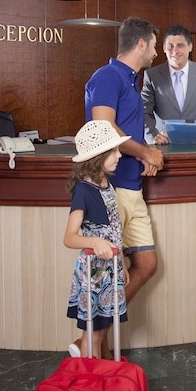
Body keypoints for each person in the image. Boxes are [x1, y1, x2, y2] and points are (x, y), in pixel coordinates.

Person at [84, 17, 163, 307]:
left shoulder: (131, 80)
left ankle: (101, 330)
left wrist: (145, 152)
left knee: (147, 264)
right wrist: (145, 153)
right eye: (153, 46)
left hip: (132, 186)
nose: (156, 53)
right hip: (111, 187)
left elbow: (124, 129)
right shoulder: (108, 76)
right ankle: (96, 334)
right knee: (106, 276)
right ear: (140, 44)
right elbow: (104, 127)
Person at [63, 119, 132, 358]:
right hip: (95, 273)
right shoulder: (84, 190)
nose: (119, 155)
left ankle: (101, 370)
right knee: (93, 333)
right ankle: (89, 375)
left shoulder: (107, 184)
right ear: (97, 156)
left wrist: (121, 263)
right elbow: (69, 237)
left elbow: (114, 230)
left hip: (111, 269)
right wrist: (94, 242)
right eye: (113, 151)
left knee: (102, 330)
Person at [141, 25, 196, 144]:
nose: (175, 51)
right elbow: (144, 111)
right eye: (170, 46)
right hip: (163, 144)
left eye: (180, 45)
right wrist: (152, 136)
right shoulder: (152, 75)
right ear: (164, 48)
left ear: (190, 47)